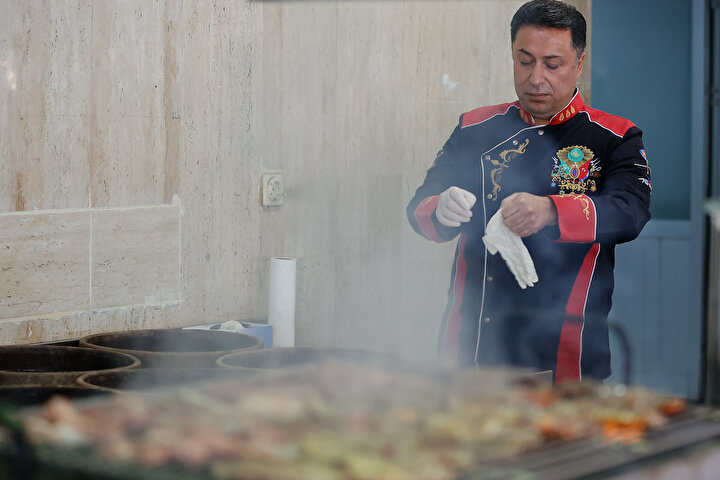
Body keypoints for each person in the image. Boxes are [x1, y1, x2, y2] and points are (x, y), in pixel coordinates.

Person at [406, 0, 651, 382]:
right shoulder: (474, 128)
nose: (537, 78)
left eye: (552, 65)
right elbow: (420, 205)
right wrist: (438, 208)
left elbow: (630, 210)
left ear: (578, 64)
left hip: (568, 356)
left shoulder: (613, 136)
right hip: (469, 351)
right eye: (525, 61)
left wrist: (552, 211)